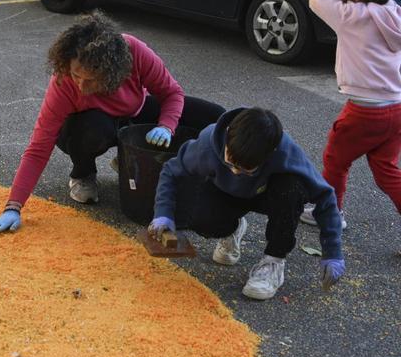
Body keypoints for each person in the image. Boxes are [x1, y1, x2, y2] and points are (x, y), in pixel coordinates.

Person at [0, 11, 225, 233]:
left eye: (92, 80)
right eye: (77, 75)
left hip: (132, 111)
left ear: (113, 72)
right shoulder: (64, 82)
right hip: (86, 126)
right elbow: (38, 148)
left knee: (214, 116)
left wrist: (166, 126)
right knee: (93, 128)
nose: (82, 86)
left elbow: (172, 93)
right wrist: (13, 206)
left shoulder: (135, 52)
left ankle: (137, 160)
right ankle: (83, 173)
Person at [148, 107, 345, 300]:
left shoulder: (286, 151)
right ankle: (232, 229)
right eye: (231, 163)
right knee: (201, 216)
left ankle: (273, 262)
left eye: (245, 169)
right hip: (225, 191)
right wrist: (163, 213)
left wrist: (332, 252)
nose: (235, 171)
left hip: (269, 195)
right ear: (227, 137)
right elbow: (171, 171)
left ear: (270, 153)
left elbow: (325, 196)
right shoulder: (208, 143)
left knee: (292, 189)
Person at [299, 0, 401, 230]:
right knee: (386, 171)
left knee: (335, 160)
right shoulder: (393, 12)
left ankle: (330, 214)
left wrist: (351, 1)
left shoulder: (352, 15)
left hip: (365, 110)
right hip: (396, 107)